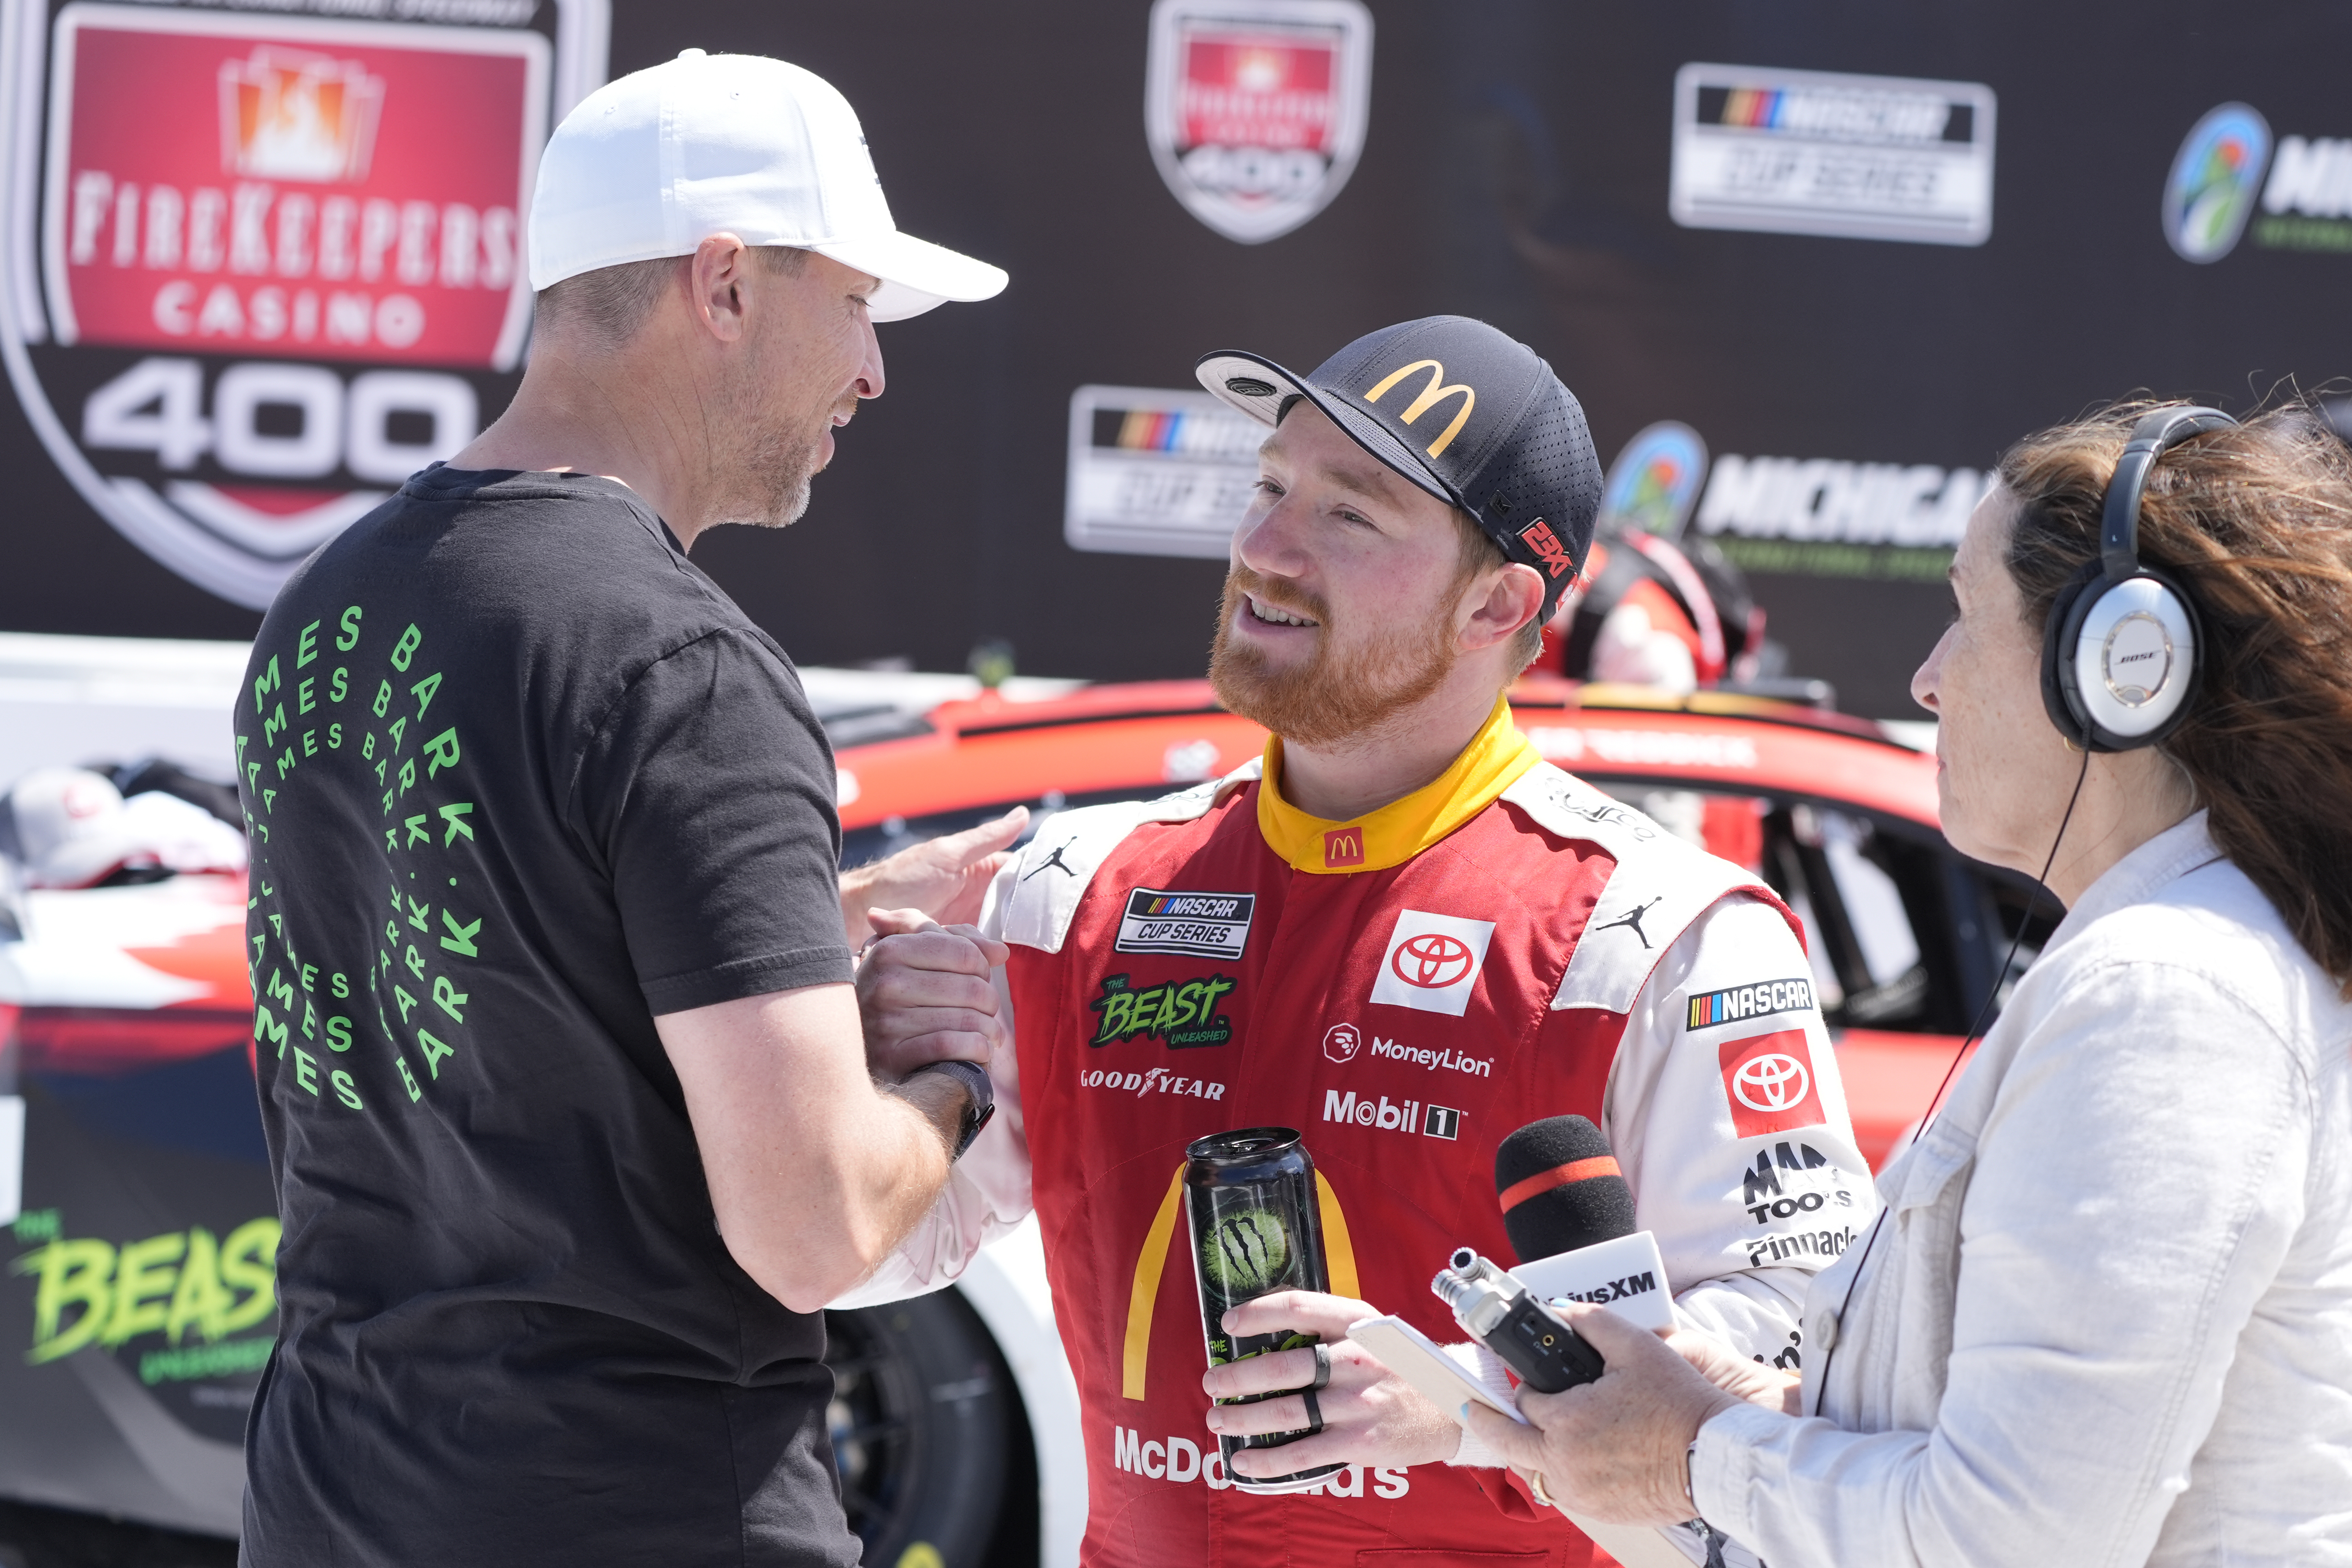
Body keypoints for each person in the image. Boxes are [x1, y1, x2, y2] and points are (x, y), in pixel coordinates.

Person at [846, 315, 1876, 1566]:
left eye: (1352, 516)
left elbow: (1798, 1348)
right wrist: (844, 1077)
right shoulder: (1076, 890)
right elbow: (870, 1261)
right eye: (1271, 486)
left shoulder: (1661, 933)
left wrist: (1462, 1394)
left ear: (1497, 602)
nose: (1267, 549)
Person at [232, 50, 1010, 1567]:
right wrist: (956, 1073)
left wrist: (797, 932)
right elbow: (815, 1226)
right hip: (637, 1509)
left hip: (330, 1497)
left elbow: (462, 967)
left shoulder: (326, 606)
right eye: (852, 305)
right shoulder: (682, 663)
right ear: (722, 284)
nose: (873, 371)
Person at [1463, 400, 2352, 1566]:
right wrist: (1742, 1409)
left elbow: (2014, 1538)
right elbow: (2008, 1467)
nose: (1927, 680)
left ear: (2122, 670)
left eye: (1966, 618)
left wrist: (1690, 1450)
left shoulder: (2165, 997)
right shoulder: (2171, 960)